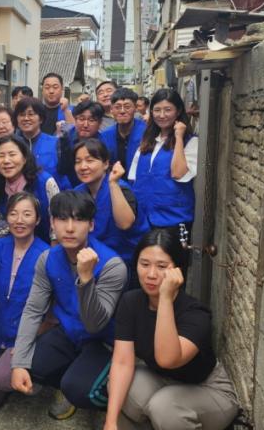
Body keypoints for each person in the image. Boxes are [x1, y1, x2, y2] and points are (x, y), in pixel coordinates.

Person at [102, 228, 239, 430]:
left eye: (161, 266)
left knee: (163, 407)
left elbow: (167, 359)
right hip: (164, 381)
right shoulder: (131, 302)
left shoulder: (195, 312)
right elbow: (122, 362)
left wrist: (165, 297)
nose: (151, 274)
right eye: (144, 264)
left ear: (177, 270)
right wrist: (110, 422)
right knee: (119, 385)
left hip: (208, 389)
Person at [10, 191, 127, 419]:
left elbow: (95, 325)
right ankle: (73, 378)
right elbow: (33, 310)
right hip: (70, 333)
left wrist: (86, 279)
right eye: (62, 219)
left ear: (91, 225)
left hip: (104, 341)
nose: (70, 228)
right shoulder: (48, 259)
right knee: (28, 362)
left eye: (79, 219)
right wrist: (18, 364)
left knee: (79, 389)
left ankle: (119, 398)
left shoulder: (113, 266)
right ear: (52, 223)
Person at [0, 192, 50, 413]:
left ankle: (31, 376)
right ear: (6, 217)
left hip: (26, 340)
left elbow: (52, 312)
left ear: (38, 219)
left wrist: (27, 341)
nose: (19, 220)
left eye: (27, 214)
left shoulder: (46, 254)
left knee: (0, 377)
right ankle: (1, 370)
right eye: (13, 214)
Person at [73, 139, 149, 288]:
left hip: (126, 263)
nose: (83, 166)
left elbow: (125, 223)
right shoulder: (78, 192)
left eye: (90, 160)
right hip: (94, 262)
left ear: (106, 163)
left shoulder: (121, 188)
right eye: (78, 161)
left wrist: (113, 183)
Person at [0, 135, 59, 243]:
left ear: (24, 158)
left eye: (12, 154)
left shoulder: (45, 182)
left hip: (46, 245)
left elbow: (56, 227)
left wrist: (52, 252)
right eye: (1, 156)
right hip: (17, 244)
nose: (6, 160)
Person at [128, 89, 197, 234]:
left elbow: (178, 173)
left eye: (168, 110)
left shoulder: (191, 142)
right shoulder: (146, 142)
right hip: (143, 220)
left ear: (178, 111)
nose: (162, 115)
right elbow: (134, 179)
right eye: (157, 110)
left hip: (172, 220)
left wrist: (179, 137)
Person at [14, 97, 71, 190]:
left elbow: (65, 172)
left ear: (40, 119)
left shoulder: (56, 143)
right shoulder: (13, 145)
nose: (26, 118)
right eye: (22, 115)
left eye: (31, 114)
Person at [100, 88, 147, 180]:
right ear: (111, 109)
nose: (122, 111)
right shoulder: (105, 136)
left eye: (127, 107)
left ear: (135, 108)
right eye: (117, 107)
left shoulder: (146, 133)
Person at [57, 100, 105, 188]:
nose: (85, 125)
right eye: (81, 119)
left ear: (100, 123)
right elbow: (61, 170)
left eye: (91, 120)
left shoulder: (105, 143)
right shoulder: (65, 139)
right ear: (75, 120)